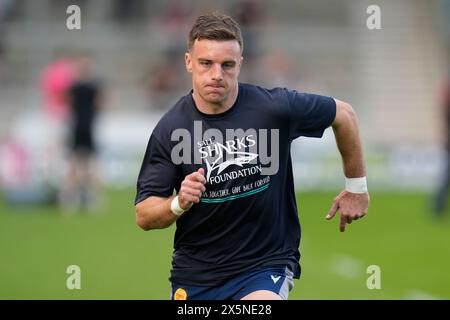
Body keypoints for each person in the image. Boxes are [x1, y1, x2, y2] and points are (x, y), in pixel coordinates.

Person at [135, 11, 370, 300]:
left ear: (240, 65)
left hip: (264, 266)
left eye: (227, 65)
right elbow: (144, 215)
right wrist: (178, 203)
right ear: (188, 63)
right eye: (206, 63)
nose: (216, 75)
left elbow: (344, 114)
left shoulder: (273, 108)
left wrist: (356, 187)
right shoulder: (171, 129)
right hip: (196, 276)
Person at [59, 55, 103, 212]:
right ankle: (76, 197)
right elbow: (100, 104)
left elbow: (69, 103)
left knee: (85, 164)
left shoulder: (81, 88)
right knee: (80, 164)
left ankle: (81, 198)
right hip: (80, 128)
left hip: (83, 128)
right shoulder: (85, 87)